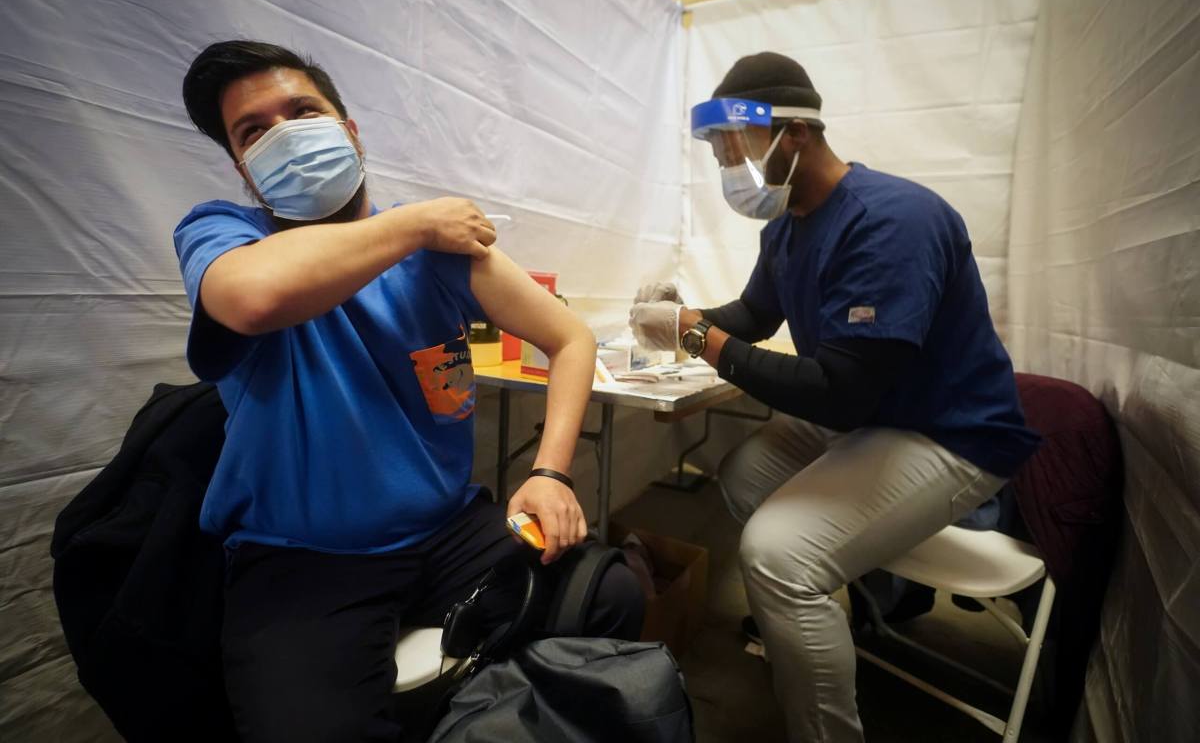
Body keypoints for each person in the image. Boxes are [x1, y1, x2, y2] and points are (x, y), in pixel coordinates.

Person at [176, 40, 643, 743]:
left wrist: (549, 472)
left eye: (302, 111)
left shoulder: (438, 256)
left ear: (349, 129)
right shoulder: (225, 233)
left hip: (446, 530)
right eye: (255, 131)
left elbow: (570, 339)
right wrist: (416, 222)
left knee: (609, 593)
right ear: (243, 169)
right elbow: (253, 299)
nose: (285, 136)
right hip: (302, 557)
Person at [629, 52, 1039, 742]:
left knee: (776, 555)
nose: (732, 167)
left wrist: (698, 338)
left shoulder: (893, 223)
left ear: (794, 135)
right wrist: (683, 317)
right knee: (743, 474)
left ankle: (818, 687)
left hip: (948, 434)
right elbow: (755, 316)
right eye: (722, 151)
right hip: (879, 417)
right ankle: (825, 610)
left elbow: (841, 395)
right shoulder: (786, 227)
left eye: (739, 147)